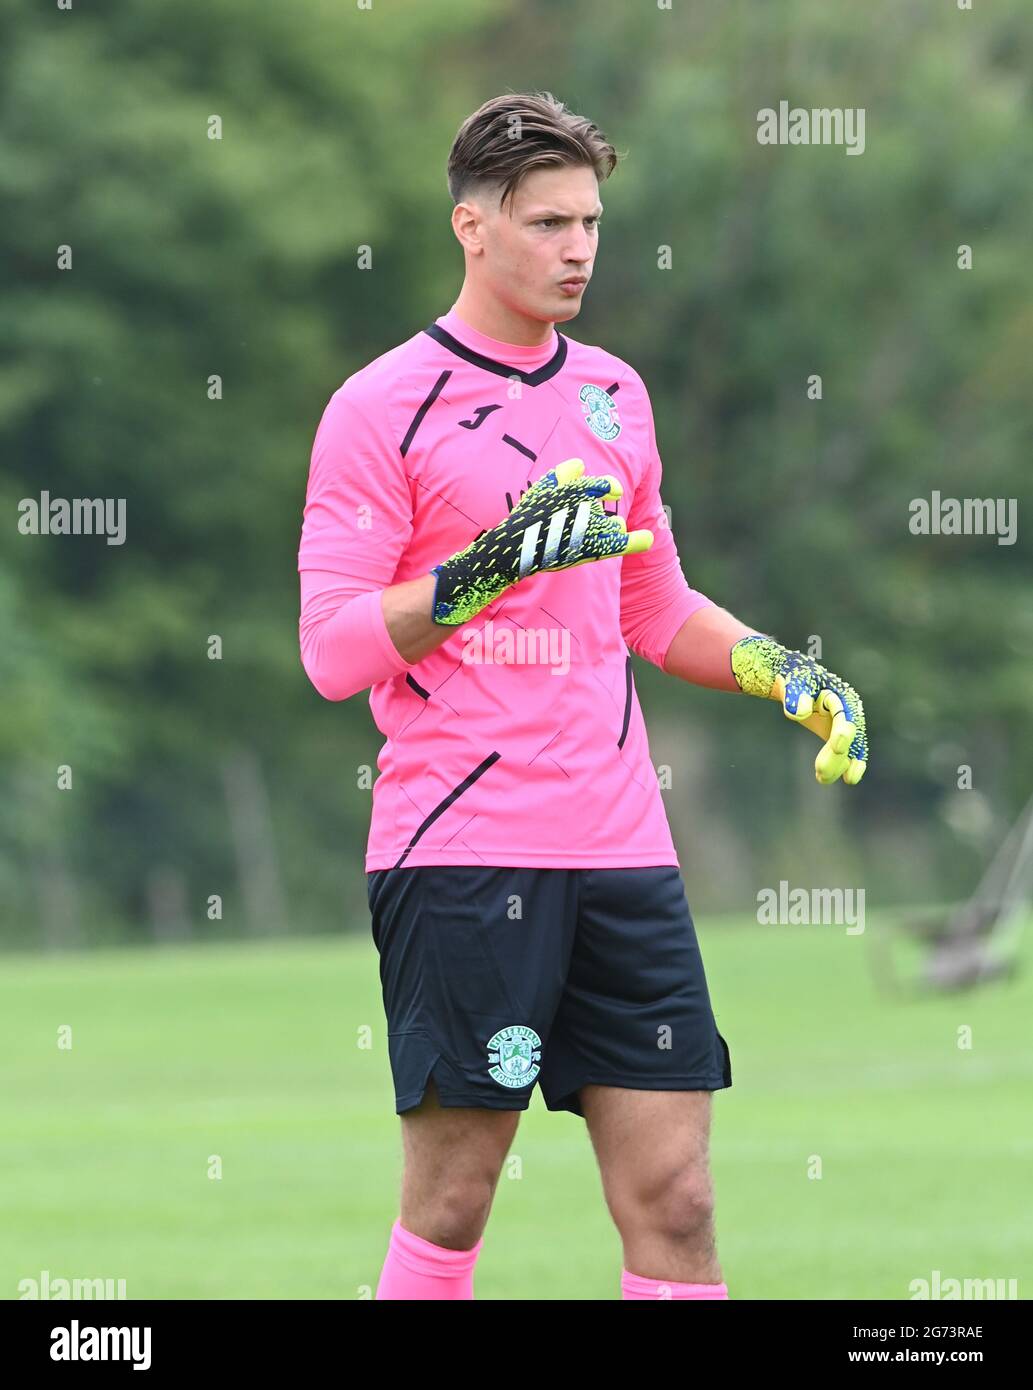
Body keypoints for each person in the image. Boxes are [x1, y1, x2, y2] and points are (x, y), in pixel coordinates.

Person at [297, 91, 868, 1301]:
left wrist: (787, 669)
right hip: (460, 851)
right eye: (549, 222)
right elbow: (336, 649)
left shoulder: (614, 392)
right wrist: (490, 568)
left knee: (679, 1197)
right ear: (471, 226)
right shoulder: (377, 407)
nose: (577, 250)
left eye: (592, 222)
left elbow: (651, 603)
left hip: (622, 850)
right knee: (453, 1202)